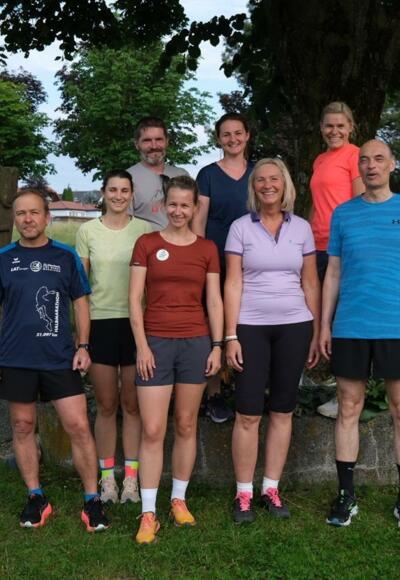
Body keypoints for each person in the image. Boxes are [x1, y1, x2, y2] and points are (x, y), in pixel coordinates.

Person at [0, 190, 108, 532]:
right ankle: (36, 496)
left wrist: (83, 346)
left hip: (59, 357)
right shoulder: (3, 258)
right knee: (22, 426)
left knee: (78, 426)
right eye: (21, 213)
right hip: (16, 357)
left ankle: (92, 500)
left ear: (47, 217)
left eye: (34, 212)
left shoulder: (65, 256)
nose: (27, 219)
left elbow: (80, 303)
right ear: (15, 219)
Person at [224, 158, 320, 523]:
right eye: (260, 180)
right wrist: (230, 335)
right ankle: (244, 493)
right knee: (248, 412)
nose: (267, 185)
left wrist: (316, 330)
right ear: (253, 187)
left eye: (274, 179)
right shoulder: (239, 228)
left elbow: (310, 282)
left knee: (282, 410)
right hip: (250, 327)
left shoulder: (302, 228)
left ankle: (271, 488)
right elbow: (233, 282)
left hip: (295, 326)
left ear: (285, 185)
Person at [129, 175, 223, 544]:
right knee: (153, 429)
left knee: (185, 424)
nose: (179, 210)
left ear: (195, 207)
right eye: (173, 204)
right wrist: (142, 346)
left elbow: (213, 300)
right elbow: (134, 300)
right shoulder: (147, 243)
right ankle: (148, 512)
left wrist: (217, 345)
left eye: (186, 205)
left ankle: (178, 500)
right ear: (163, 205)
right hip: (155, 343)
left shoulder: (207, 248)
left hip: (195, 343)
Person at [320, 139, 400, 527]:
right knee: (348, 407)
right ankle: (346, 496)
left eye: (379, 159)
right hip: (351, 324)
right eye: (364, 160)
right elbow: (333, 273)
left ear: (392, 164)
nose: (371, 165)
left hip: (395, 325)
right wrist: (324, 324)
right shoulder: (343, 214)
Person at [75, 170, 151, 504]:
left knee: (132, 404)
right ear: (103, 193)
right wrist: (82, 337)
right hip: (100, 322)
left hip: (136, 325)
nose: (118, 196)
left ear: (132, 194)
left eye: (124, 190)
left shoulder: (145, 230)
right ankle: (107, 479)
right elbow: (80, 287)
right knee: (106, 404)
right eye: (113, 190)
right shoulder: (87, 231)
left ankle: (131, 480)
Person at [192, 112, 253, 423]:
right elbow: (199, 222)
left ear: (247, 136)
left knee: (247, 324)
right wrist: (201, 262)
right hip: (215, 261)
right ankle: (213, 394)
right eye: (226, 134)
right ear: (218, 139)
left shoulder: (258, 173)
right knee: (212, 325)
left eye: (238, 133)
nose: (233, 139)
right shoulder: (207, 175)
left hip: (252, 263)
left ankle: (247, 390)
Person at [309, 102, 364, 419]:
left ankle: (343, 391)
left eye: (340, 125)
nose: (334, 131)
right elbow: (317, 204)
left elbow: (359, 204)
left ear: (351, 127)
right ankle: (315, 374)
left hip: (340, 247)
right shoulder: (319, 160)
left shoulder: (355, 156)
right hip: (316, 245)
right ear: (321, 128)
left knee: (341, 319)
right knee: (316, 312)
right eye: (329, 125)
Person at [127, 116, 189, 230]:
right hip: (144, 240)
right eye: (147, 140)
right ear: (136, 144)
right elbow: (123, 224)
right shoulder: (127, 179)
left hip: (182, 240)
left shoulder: (182, 175)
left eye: (159, 139)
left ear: (167, 142)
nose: (154, 146)